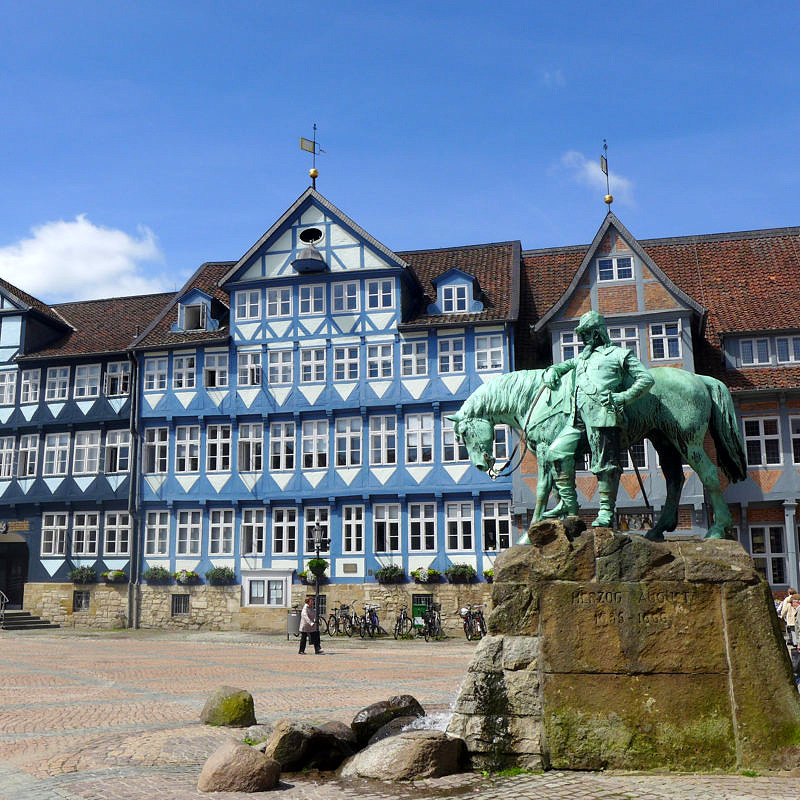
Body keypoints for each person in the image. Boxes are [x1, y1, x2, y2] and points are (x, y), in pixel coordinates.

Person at [543, 310, 654, 527]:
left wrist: (623, 397)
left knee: (605, 464)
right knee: (556, 452)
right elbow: (560, 367)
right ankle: (569, 506)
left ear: (597, 333)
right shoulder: (583, 358)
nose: (582, 339)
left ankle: (606, 511)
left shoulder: (619, 354)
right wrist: (550, 372)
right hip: (577, 420)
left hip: (604, 416)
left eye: (585, 334)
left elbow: (646, 379)